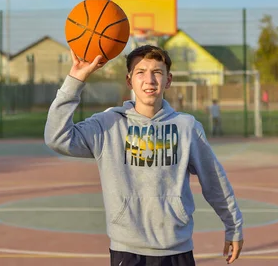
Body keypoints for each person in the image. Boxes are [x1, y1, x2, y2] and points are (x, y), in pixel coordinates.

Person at [44, 45, 244, 265]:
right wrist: (76, 79)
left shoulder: (186, 127)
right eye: (141, 72)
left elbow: (214, 180)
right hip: (127, 251)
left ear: (168, 80)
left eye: (157, 72)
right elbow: (57, 137)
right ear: (129, 81)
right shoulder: (108, 124)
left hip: (177, 250)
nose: (149, 80)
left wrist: (233, 226)